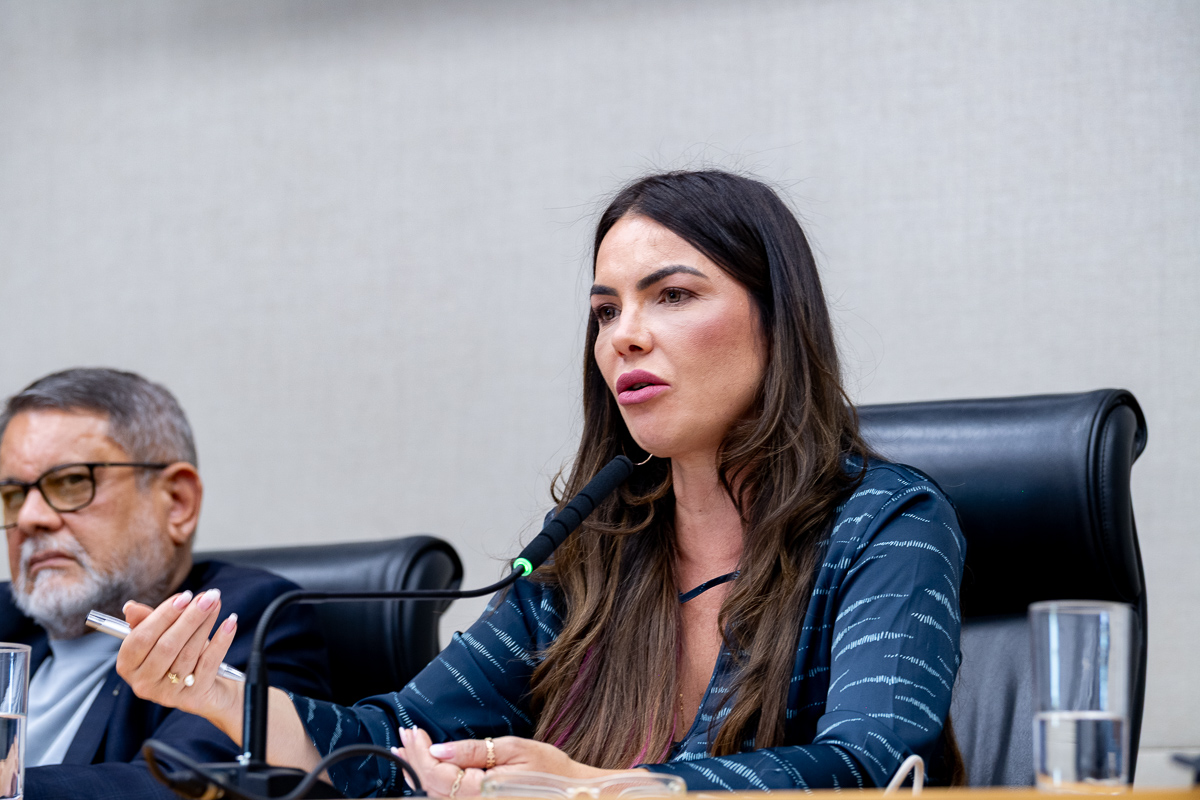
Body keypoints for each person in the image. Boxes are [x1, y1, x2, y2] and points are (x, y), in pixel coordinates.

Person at [118, 170, 967, 795]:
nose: (624, 337)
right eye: (606, 310)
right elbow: (392, 743)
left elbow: (873, 765)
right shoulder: (593, 554)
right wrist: (218, 693)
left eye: (672, 296)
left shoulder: (888, 524)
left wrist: (599, 789)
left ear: (778, 321)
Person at [0, 368, 332, 799]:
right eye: (13, 495)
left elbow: (181, 786)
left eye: (71, 482)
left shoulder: (246, 618)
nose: (29, 518)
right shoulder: (5, 617)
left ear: (177, 502)